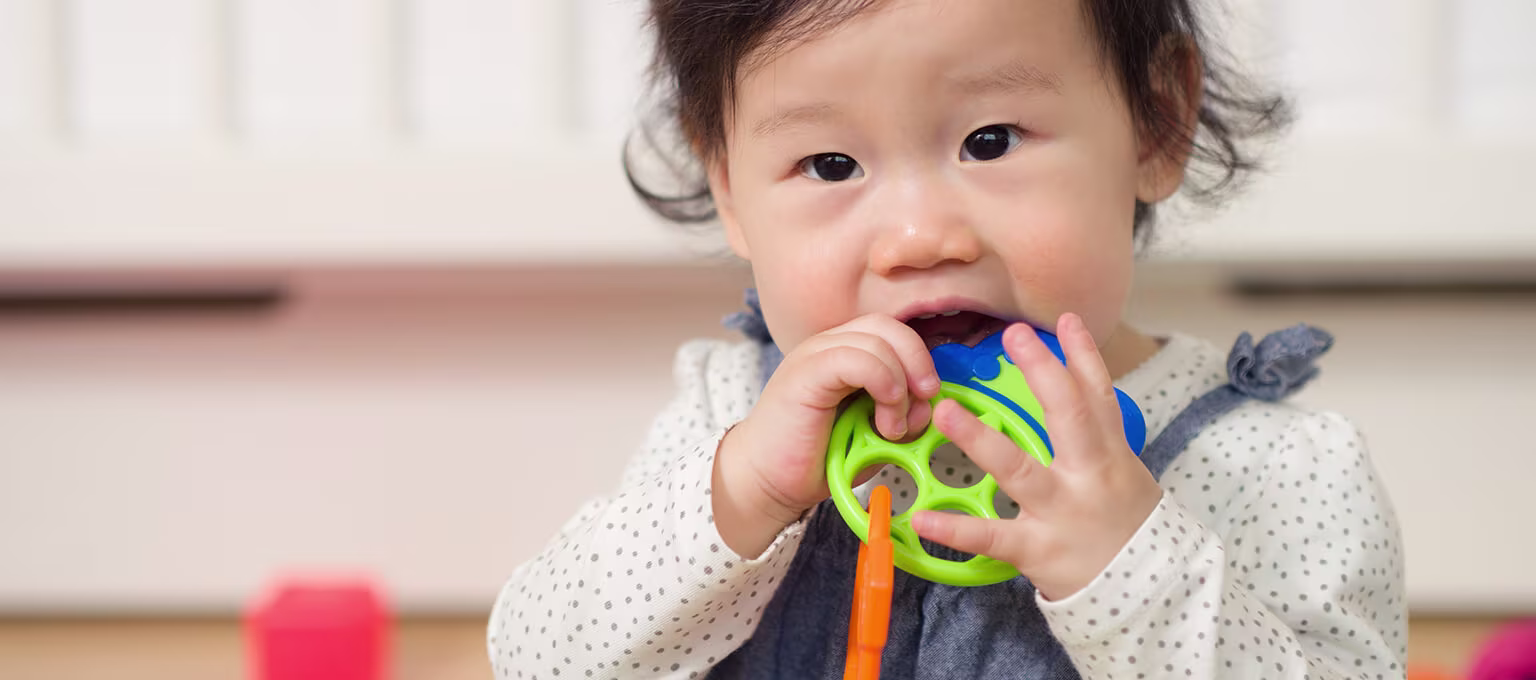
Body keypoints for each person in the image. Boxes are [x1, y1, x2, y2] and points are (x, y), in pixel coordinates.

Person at [489, 0, 1406, 677]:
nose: (921, 237)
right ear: (728, 183)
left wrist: (1131, 567)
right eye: (832, 165)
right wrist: (740, 495)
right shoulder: (729, 414)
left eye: (991, 140)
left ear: (1155, 123)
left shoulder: (1271, 470)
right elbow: (538, 657)